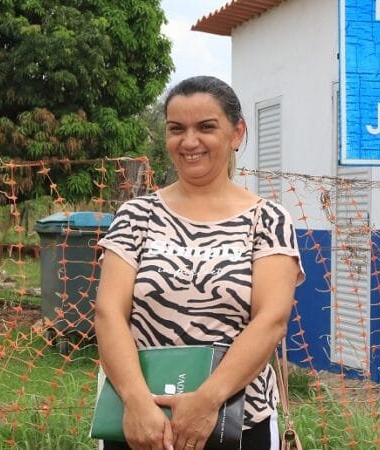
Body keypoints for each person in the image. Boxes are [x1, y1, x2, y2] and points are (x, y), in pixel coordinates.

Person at [94, 75, 304, 450]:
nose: (189, 141)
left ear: (236, 133)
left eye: (206, 127)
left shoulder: (267, 220)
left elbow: (272, 319)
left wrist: (207, 401)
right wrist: (137, 401)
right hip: (142, 423)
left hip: (239, 422)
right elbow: (109, 312)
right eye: (177, 129)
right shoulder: (135, 216)